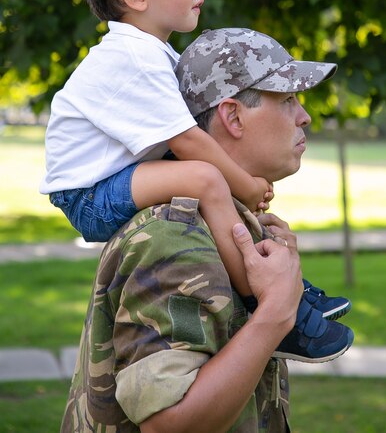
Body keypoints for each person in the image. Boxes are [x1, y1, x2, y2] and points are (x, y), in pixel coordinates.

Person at [40, 0, 351, 363]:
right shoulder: (133, 56)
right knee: (207, 180)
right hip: (88, 194)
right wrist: (245, 182)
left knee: (213, 189)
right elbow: (187, 141)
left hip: (117, 177)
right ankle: (270, 306)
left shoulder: (154, 52)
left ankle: (292, 290)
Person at [61, 28, 354, 433]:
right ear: (232, 116)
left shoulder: (228, 222)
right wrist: (276, 312)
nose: (304, 115)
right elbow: (169, 423)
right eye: (287, 99)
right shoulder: (173, 235)